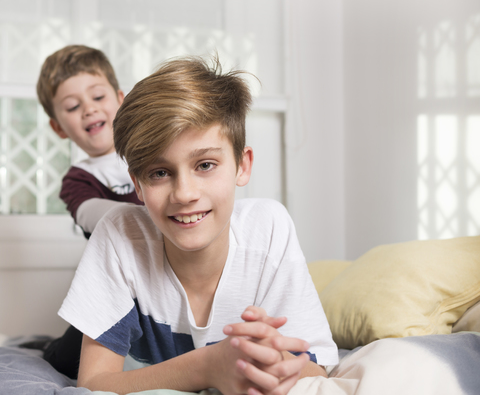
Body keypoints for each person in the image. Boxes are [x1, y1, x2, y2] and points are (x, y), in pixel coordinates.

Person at [58, 56, 338, 395]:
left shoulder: (269, 227)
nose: (185, 194)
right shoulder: (118, 234)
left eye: (205, 164)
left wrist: (268, 357)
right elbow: (93, 383)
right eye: (159, 173)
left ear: (241, 165)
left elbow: (317, 369)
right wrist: (206, 366)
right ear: (138, 186)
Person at [33, 45, 143, 378]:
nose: (88, 110)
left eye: (97, 97)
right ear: (58, 127)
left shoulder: (153, 151)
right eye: (72, 105)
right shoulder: (77, 179)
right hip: (116, 291)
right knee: (64, 361)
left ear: (121, 99)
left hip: (174, 281)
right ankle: (45, 347)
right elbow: (96, 214)